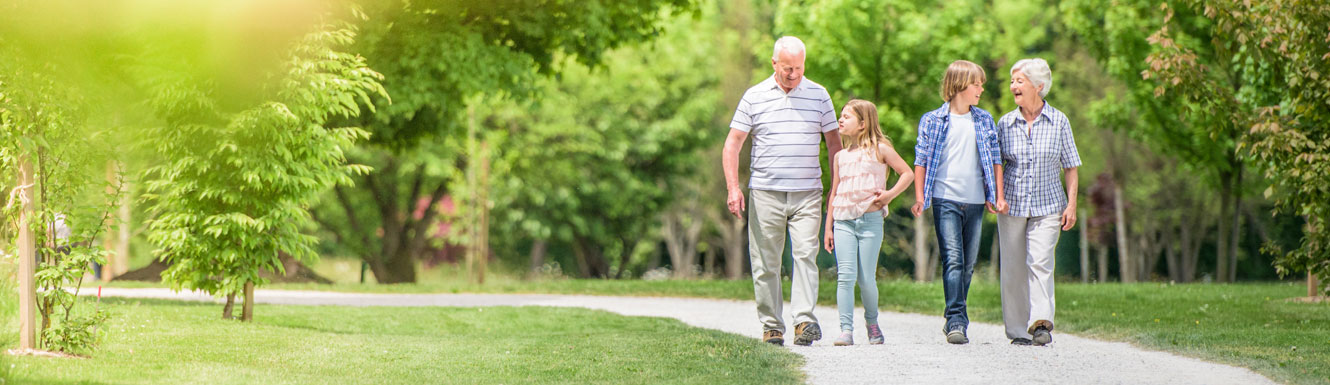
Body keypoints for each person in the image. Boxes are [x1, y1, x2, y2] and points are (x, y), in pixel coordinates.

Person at [723, 35, 842, 346]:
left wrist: (836, 189)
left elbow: (834, 145)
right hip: (765, 192)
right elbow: (733, 143)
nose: (793, 74)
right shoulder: (754, 96)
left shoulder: (819, 95)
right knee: (766, 263)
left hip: (807, 192)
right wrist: (733, 188)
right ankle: (771, 326)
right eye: (787, 68)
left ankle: (804, 321)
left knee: (805, 255)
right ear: (774, 63)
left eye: (799, 68)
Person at [911, 60, 1007, 345]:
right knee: (953, 260)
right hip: (946, 199)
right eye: (976, 83)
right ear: (959, 85)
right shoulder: (933, 120)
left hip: (976, 201)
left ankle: (954, 314)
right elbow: (921, 160)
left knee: (968, 265)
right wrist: (920, 197)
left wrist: (998, 195)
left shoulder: (984, 119)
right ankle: (956, 319)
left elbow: (995, 160)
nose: (981, 88)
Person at [996, 58, 1081, 346]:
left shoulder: (1059, 121)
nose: (1013, 86)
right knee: (1013, 268)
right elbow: (997, 165)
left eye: (1019, 81)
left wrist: (1072, 205)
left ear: (1039, 86)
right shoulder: (1005, 124)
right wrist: (995, 196)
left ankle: (1041, 324)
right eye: (1012, 81)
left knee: (1040, 261)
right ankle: (1019, 330)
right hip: (1012, 206)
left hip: (1048, 207)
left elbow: (1070, 166)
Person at [823, 99, 914, 346]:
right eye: (840, 116)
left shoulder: (880, 149)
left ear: (863, 124)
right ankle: (845, 330)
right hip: (843, 221)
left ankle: (872, 324)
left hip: (870, 221)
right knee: (845, 276)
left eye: (847, 117)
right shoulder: (840, 156)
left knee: (866, 278)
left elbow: (907, 173)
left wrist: (888, 196)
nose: (840, 120)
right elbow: (835, 192)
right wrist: (828, 227)